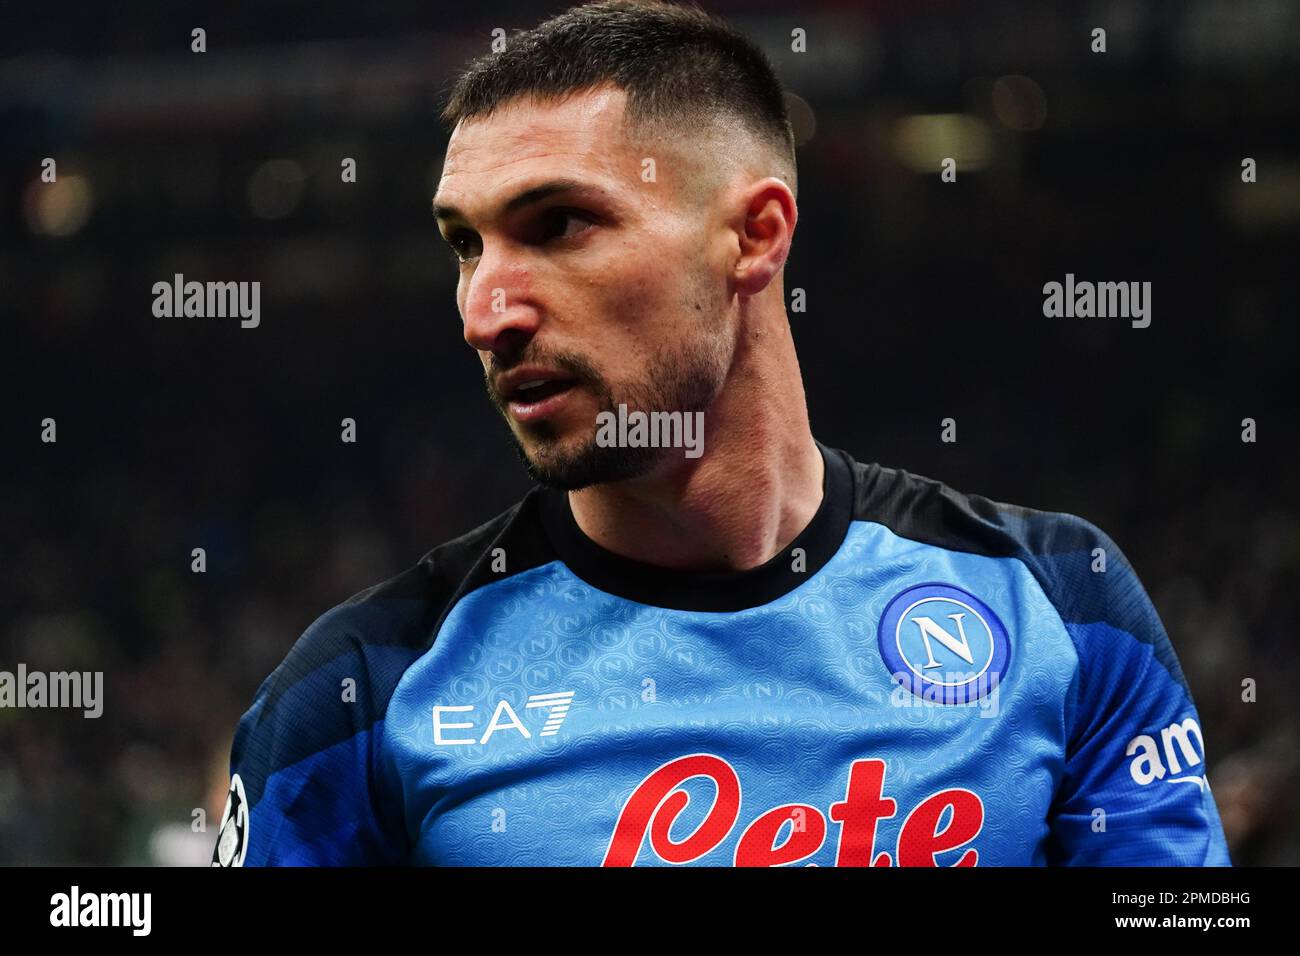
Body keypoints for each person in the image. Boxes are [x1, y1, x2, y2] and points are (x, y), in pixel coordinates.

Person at [213, 0, 1230, 866]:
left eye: (559, 224)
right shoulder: (357, 692)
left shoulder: (1060, 599)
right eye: (463, 245)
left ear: (755, 235)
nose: (486, 310)